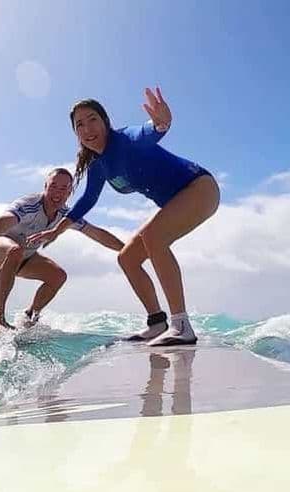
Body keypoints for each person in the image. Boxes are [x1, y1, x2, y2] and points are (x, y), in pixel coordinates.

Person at [28, 88, 220, 346]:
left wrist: (162, 122)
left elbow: (150, 131)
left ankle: (181, 325)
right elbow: (87, 200)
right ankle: (157, 322)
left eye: (92, 119)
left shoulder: (126, 139)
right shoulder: (98, 165)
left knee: (154, 238)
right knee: (127, 257)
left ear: (105, 121)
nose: (87, 128)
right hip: (176, 201)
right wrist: (56, 230)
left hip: (199, 187)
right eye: (79, 125)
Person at [0, 167, 124, 330]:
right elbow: (6, 219)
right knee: (15, 251)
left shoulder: (67, 216)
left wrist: (127, 249)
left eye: (63, 188)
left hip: (24, 257)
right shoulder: (29, 205)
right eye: (53, 186)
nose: (57, 193)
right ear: (45, 187)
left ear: (69, 193)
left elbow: (97, 234)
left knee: (58, 276)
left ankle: (29, 318)